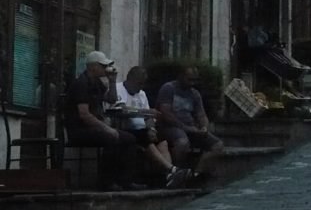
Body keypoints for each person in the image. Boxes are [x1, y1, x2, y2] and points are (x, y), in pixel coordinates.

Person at [64, 50, 140, 191]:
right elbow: (84, 114)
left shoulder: (97, 83)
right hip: (80, 130)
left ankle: (126, 180)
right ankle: (105, 182)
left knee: (129, 138)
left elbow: (111, 99)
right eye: (103, 66)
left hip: (94, 127)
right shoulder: (81, 84)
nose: (106, 69)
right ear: (93, 67)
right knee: (111, 137)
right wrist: (106, 128)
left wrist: (112, 82)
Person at [116, 66, 189, 189]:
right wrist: (146, 112)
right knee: (146, 139)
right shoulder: (119, 89)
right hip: (127, 128)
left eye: (143, 84)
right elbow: (124, 110)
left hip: (143, 129)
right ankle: (172, 170)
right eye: (139, 83)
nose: (141, 87)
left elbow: (149, 117)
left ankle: (169, 175)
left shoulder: (142, 94)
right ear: (130, 79)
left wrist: (151, 128)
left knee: (162, 141)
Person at [157, 66, 223, 182]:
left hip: (191, 128)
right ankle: (177, 172)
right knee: (182, 142)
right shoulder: (169, 88)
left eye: (195, 80)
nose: (192, 83)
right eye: (189, 79)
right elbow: (165, 113)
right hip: (171, 126)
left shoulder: (194, 93)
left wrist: (204, 127)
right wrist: (185, 127)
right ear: (181, 76)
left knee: (217, 145)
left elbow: (201, 114)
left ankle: (196, 174)